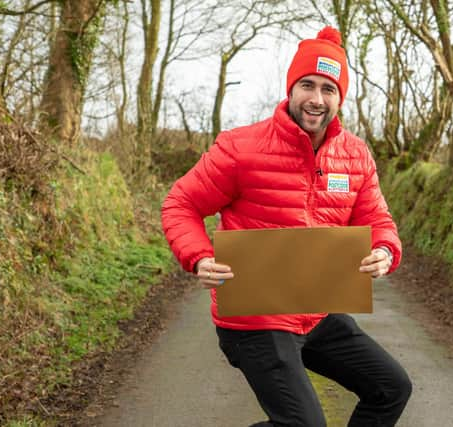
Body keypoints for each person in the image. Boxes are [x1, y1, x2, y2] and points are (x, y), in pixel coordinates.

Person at [161, 26, 412, 427]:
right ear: (291, 89)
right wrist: (198, 257)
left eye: (328, 89)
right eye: (307, 86)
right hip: (254, 317)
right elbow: (181, 204)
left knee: (391, 388)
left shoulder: (355, 155)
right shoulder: (240, 149)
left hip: (314, 312)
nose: (316, 99)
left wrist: (384, 251)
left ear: (339, 98)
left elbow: (378, 220)